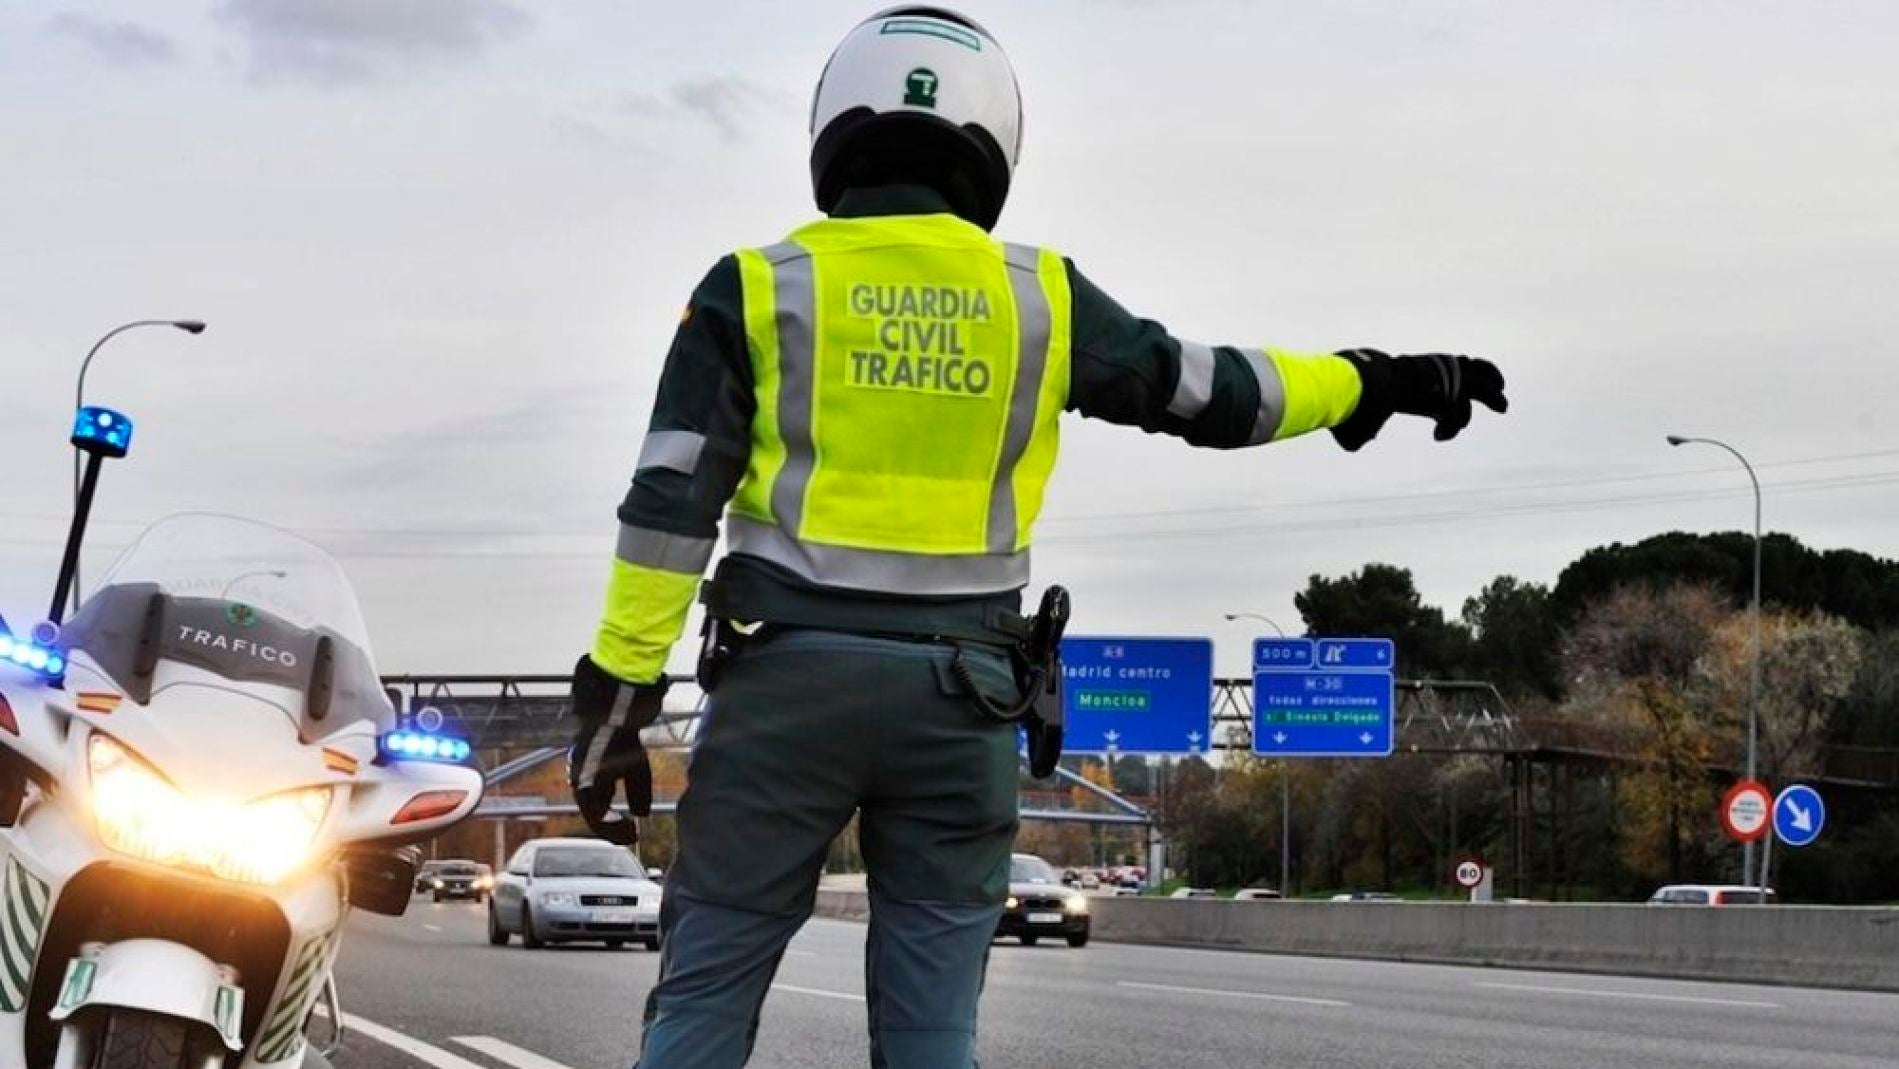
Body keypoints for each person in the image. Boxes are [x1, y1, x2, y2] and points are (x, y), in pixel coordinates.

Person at [565, 7, 1507, 1068]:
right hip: (962, 705)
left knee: (703, 999)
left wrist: (619, 687)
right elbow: (1210, 389)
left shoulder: (755, 286)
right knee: (932, 1030)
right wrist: (1369, 380)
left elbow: (671, 502)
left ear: (833, 130)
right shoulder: (1039, 299)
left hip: (783, 697)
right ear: (992, 144)